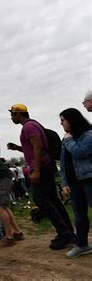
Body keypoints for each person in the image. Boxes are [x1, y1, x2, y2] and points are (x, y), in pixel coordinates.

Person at [8, 104, 75, 249]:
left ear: (18, 114)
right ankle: (68, 232)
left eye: (12, 114)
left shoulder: (28, 126)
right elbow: (34, 147)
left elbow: (38, 147)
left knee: (40, 199)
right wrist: (18, 148)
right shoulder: (33, 125)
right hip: (46, 165)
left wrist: (36, 171)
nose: (11, 117)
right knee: (53, 200)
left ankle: (64, 233)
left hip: (42, 167)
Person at [59, 108, 92, 258]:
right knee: (79, 215)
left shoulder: (88, 135)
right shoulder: (67, 138)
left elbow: (81, 152)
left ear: (72, 120)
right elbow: (63, 162)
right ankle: (81, 245)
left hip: (89, 179)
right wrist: (64, 182)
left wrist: (69, 140)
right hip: (74, 183)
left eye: (63, 120)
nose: (61, 124)